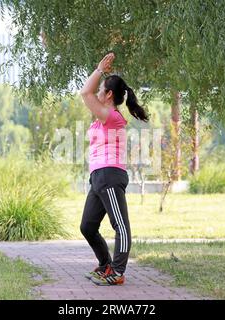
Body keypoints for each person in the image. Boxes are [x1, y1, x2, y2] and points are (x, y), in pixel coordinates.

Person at [79, 53, 149, 286]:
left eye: (102, 90)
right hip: (98, 176)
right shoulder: (101, 119)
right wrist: (99, 73)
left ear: (109, 95)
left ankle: (117, 272)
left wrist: (99, 70)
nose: (97, 92)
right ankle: (106, 264)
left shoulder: (113, 117)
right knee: (87, 226)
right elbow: (88, 94)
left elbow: (85, 93)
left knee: (120, 226)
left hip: (110, 174)